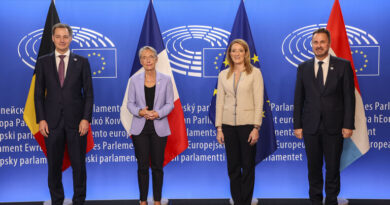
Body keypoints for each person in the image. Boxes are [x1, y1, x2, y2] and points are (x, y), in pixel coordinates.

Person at [293, 28, 355, 205]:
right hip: (310, 126)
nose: (318, 46)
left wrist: (348, 124)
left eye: (322, 42)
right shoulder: (303, 67)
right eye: (315, 42)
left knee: (333, 167)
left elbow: (349, 98)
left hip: (335, 127)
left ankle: (332, 200)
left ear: (328, 44)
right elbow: (298, 98)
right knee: (313, 168)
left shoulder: (343, 65)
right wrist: (297, 125)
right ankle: (315, 200)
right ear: (312, 45)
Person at [34, 23, 93, 205]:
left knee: (79, 166)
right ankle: (57, 200)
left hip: (77, 123)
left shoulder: (82, 62)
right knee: (53, 166)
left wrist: (85, 119)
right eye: (58, 36)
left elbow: (89, 94)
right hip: (51, 123)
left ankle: (79, 201)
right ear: (52, 38)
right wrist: (41, 119)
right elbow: (38, 95)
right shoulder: (43, 62)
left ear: (71, 38)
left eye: (65, 36)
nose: (62, 40)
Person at [215, 39, 264, 205]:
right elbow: (219, 102)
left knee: (248, 166)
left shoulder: (255, 73)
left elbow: (259, 102)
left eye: (240, 50)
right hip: (228, 126)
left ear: (245, 53)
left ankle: (246, 200)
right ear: (229, 54)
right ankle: (237, 200)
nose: (236, 54)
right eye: (233, 50)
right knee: (233, 167)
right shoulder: (223, 74)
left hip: (247, 126)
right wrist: (219, 128)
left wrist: (256, 127)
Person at [127, 46, 174, 205]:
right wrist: (140, 112)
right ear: (141, 61)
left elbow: (170, 104)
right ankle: (142, 201)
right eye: (144, 57)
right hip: (140, 128)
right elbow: (130, 104)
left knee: (157, 167)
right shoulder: (134, 80)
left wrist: (158, 113)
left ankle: (157, 201)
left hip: (159, 128)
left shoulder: (166, 79)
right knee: (142, 166)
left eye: (151, 57)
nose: (148, 60)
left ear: (156, 59)